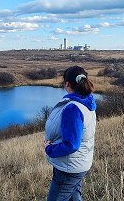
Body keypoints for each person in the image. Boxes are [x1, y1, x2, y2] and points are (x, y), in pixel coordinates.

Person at [44, 65, 96, 201]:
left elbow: (71, 145)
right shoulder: (87, 102)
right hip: (78, 163)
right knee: (74, 197)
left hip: (69, 168)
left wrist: (49, 149)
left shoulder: (73, 108)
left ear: (67, 84)